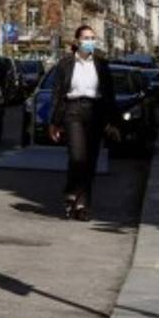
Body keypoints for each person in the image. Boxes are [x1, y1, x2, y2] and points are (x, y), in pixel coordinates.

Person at [48, 25, 119, 221]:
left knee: (90, 161)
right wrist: (54, 122)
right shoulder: (65, 64)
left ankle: (82, 204)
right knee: (77, 156)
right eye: (86, 38)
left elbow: (109, 95)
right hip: (73, 111)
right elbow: (57, 94)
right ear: (77, 41)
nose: (90, 42)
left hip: (95, 112)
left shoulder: (101, 64)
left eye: (92, 38)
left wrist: (113, 122)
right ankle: (71, 189)